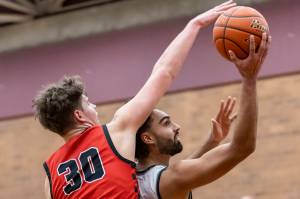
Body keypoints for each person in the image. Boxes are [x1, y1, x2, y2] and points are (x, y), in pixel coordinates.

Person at [33, 1, 237, 198]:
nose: (94, 107)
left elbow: (168, 182)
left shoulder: (50, 179)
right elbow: (164, 72)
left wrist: (210, 143)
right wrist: (194, 25)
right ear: (79, 115)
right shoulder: (113, 132)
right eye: (88, 103)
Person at [136, 31, 271, 199]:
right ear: (148, 138)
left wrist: (212, 141)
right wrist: (249, 79)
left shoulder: (135, 176)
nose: (177, 127)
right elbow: (242, 148)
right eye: (166, 123)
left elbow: (181, 174)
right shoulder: (171, 178)